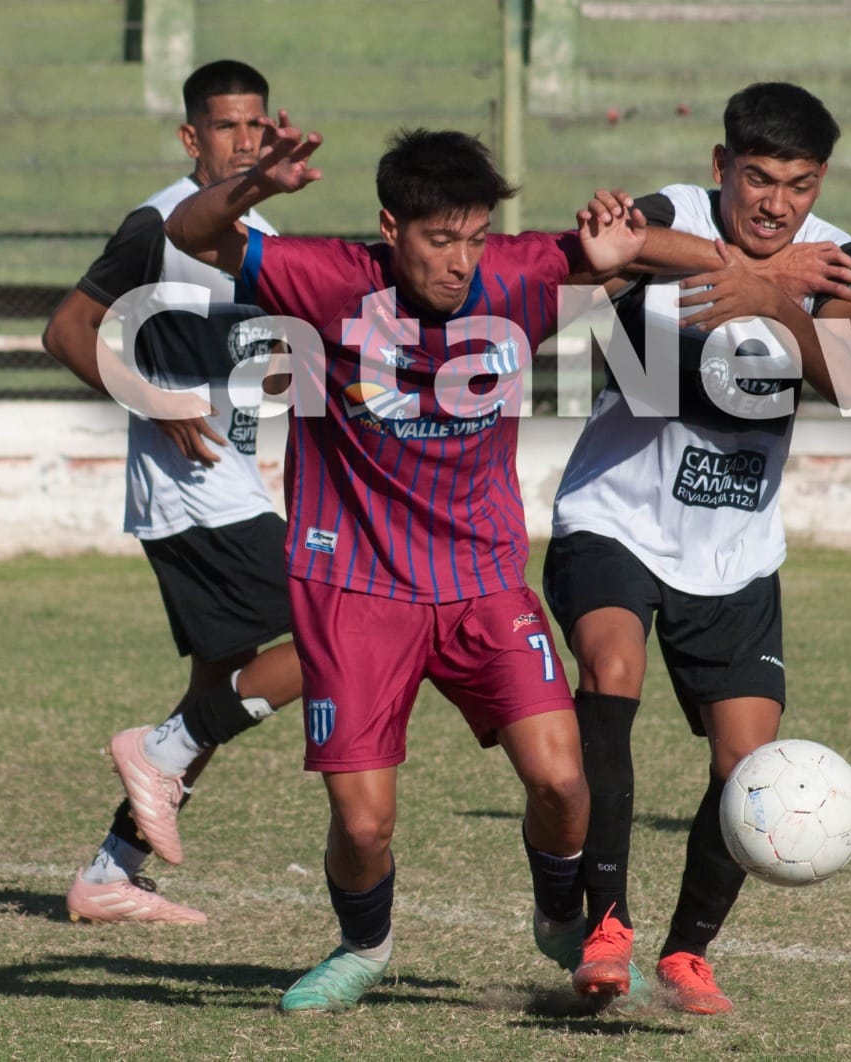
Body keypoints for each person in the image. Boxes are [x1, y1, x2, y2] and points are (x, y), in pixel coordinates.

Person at [164, 123, 650, 1010]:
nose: (461, 261)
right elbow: (190, 234)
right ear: (391, 228)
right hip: (353, 585)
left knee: (563, 779)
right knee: (364, 820)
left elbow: (636, 248)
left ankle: (554, 913)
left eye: (473, 237)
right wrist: (251, 189)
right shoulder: (322, 279)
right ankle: (363, 944)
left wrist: (642, 244)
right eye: (439, 240)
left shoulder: (517, 272)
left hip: (483, 580)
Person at [543, 81, 851, 1015]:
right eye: (760, 178)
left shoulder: (839, 257)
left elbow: (845, 377)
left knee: (747, 762)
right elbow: (615, 242)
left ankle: (688, 952)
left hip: (735, 551)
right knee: (612, 669)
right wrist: (753, 273)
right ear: (721, 166)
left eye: (801, 185)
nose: (778, 203)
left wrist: (770, 297)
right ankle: (604, 927)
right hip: (612, 516)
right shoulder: (673, 210)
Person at [43, 59, 303, 925]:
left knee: (219, 691)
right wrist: (153, 406)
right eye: (226, 126)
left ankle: (110, 870)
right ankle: (156, 750)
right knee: (329, 625)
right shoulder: (155, 224)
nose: (244, 140)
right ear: (192, 137)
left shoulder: (258, 234)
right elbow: (66, 331)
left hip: (231, 487)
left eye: (255, 126)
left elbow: (262, 377)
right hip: (192, 495)